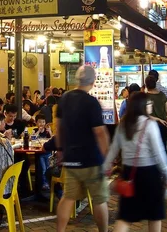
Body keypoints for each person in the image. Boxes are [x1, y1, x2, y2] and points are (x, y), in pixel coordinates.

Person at [104, 92, 167, 232]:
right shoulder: (149, 124)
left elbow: (113, 149)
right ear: (142, 106)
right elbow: (159, 153)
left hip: (129, 174)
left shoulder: (123, 123)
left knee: (126, 216)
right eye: (149, 103)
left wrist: (105, 168)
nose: (151, 106)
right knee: (154, 216)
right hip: (150, 175)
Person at [56, 66, 110, 232]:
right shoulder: (91, 102)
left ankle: (60, 230)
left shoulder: (64, 98)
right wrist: (107, 158)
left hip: (71, 158)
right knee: (99, 199)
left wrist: (60, 150)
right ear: (93, 82)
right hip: (91, 160)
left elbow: (58, 127)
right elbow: (100, 132)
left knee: (68, 197)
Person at [145, 75, 167, 150]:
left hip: (150, 127)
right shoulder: (162, 95)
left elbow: (146, 114)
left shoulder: (146, 97)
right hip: (163, 125)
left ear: (146, 85)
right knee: (163, 148)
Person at [34, 114, 52, 189]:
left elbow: (52, 139)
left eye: (43, 122)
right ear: (36, 123)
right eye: (40, 122)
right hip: (39, 152)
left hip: (47, 152)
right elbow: (33, 138)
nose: (42, 124)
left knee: (48, 168)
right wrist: (38, 131)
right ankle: (43, 183)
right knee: (43, 169)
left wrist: (50, 131)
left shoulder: (47, 131)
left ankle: (47, 183)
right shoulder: (35, 130)